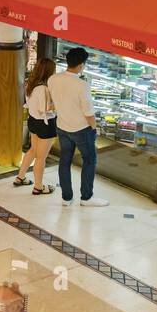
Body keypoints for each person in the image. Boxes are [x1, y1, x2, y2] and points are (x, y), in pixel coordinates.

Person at [48, 46, 109, 207]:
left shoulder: (53, 79)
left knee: (65, 161)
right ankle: (86, 197)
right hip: (81, 129)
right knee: (89, 160)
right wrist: (94, 128)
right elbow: (89, 113)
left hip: (62, 126)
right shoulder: (82, 85)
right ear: (82, 65)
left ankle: (66, 198)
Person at [14, 57, 58, 195]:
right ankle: (38, 187)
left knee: (33, 150)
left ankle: (20, 177)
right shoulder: (44, 89)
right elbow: (44, 109)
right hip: (45, 124)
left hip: (33, 121)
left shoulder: (31, 84)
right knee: (41, 157)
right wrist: (58, 104)